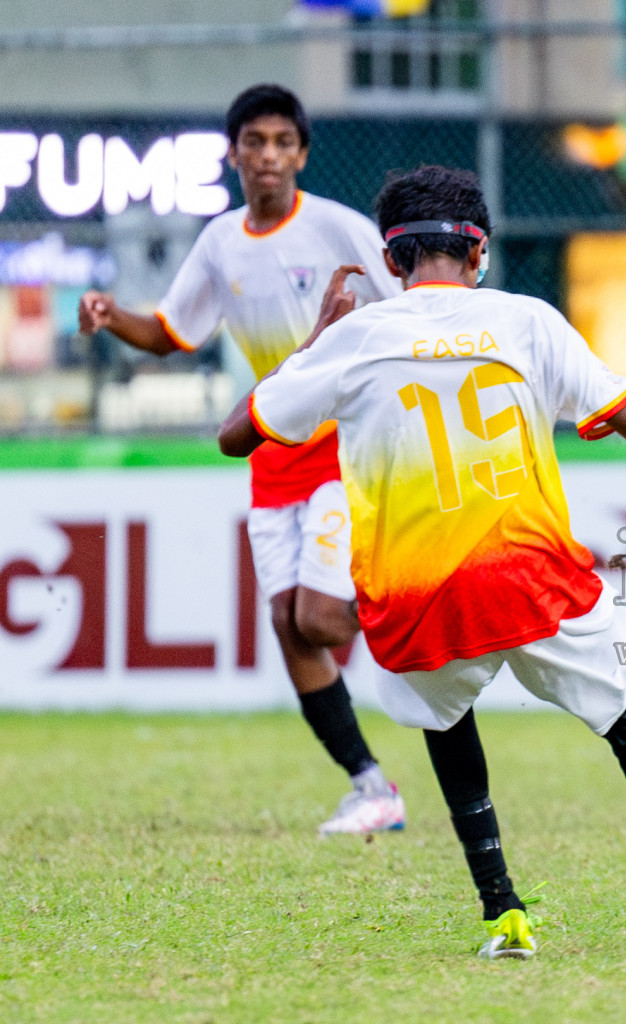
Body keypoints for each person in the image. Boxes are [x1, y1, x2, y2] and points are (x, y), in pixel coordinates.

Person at [215, 165, 626, 959]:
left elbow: (236, 436)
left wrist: (312, 345)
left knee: (443, 718)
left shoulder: (351, 340)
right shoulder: (525, 321)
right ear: (478, 251)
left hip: (412, 603)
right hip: (530, 583)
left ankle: (501, 913)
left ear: (391, 262)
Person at [78, 85, 406, 836]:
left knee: (319, 615)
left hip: (341, 443)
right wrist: (109, 314)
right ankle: (371, 787)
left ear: (301, 154)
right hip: (271, 449)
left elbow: (408, 309)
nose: (267, 154)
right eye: (253, 141)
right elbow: (170, 330)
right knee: (289, 626)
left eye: (282, 141)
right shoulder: (222, 240)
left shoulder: (337, 228)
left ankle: (430, 609)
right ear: (232, 154)